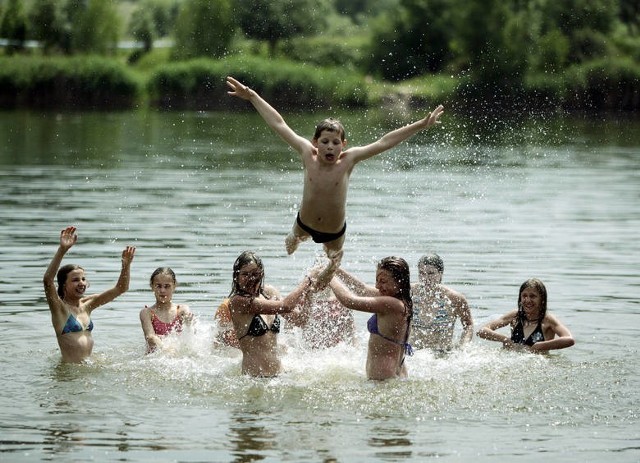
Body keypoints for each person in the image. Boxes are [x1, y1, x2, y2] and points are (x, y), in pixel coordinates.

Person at [226, 76, 444, 261]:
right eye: (325, 141)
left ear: (343, 145)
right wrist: (253, 96)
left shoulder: (348, 160)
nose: (330, 147)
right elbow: (279, 124)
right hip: (304, 223)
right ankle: (293, 238)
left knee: (331, 268)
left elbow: (384, 142)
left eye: (335, 142)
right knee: (290, 248)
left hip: (334, 232)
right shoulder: (306, 153)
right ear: (315, 142)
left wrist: (420, 125)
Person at [228, 250, 339, 377]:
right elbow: (286, 306)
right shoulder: (238, 301)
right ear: (236, 277)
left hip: (279, 376)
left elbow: (300, 320)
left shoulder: (270, 293)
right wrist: (308, 280)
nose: (250, 279)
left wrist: (309, 293)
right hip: (254, 379)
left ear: (262, 274)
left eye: (255, 274)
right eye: (245, 274)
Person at [43, 226, 136, 363]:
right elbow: (47, 281)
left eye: (83, 279)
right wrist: (62, 250)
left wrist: (126, 266)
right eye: (75, 280)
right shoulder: (59, 308)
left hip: (87, 369)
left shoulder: (88, 305)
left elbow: (121, 289)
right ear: (64, 285)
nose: (81, 283)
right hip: (68, 375)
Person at [329, 257, 414, 380]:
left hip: (383, 382)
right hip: (392, 378)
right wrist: (334, 269)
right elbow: (362, 289)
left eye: (383, 281)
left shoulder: (392, 304)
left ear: (399, 282)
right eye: (377, 280)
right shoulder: (401, 300)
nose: (377, 285)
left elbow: (349, 301)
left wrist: (329, 277)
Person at [476, 278, 575, 352]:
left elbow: (569, 339)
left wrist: (540, 346)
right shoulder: (515, 316)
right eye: (524, 296)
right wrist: (504, 339)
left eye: (532, 296)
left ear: (542, 299)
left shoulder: (547, 320)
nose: (527, 300)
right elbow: (482, 331)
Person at [410, 253, 473, 353]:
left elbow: (468, 325)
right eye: (421, 273)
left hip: (442, 355)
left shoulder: (455, 298)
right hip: (414, 354)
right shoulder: (409, 292)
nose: (425, 278)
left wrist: (463, 347)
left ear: (440, 274)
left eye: (430, 273)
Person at [140, 267, 194, 353]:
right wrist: (165, 348)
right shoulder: (147, 313)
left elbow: (191, 333)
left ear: (174, 286)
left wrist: (189, 322)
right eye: (158, 286)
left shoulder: (181, 310)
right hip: (153, 359)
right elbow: (150, 337)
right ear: (152, 286)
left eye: (167, 286)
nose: (162, 290)